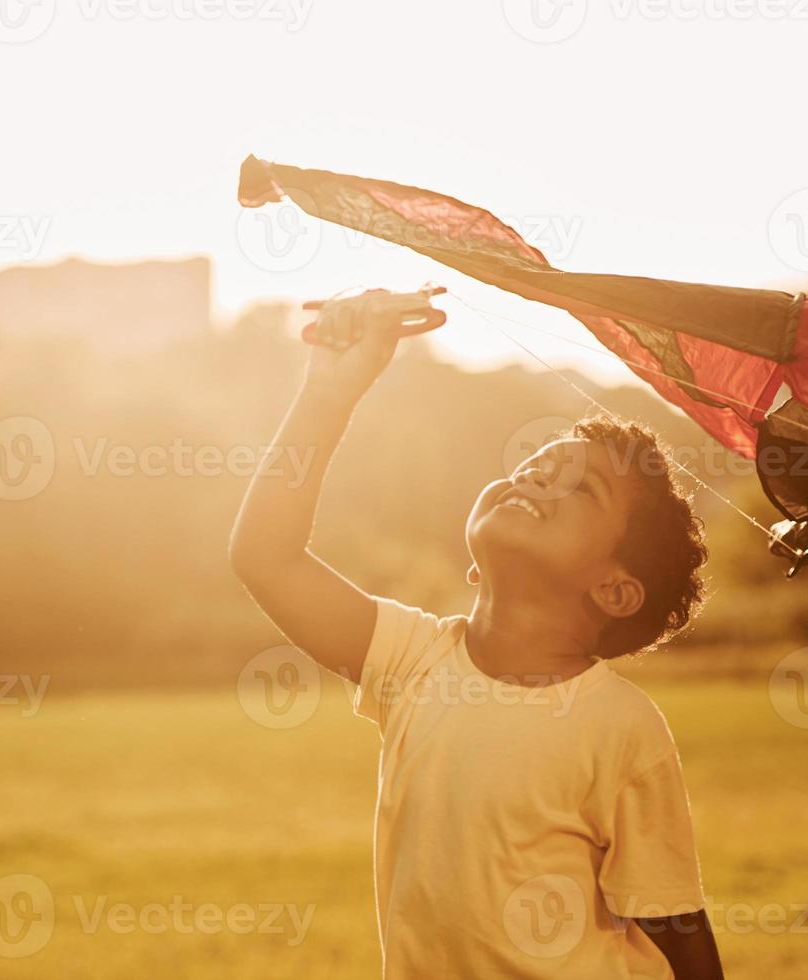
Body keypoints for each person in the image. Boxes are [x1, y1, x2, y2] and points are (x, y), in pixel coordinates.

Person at [229, 293, 724, 979]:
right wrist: (328, 391)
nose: (539, 476)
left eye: (581, 490)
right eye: (537, 465)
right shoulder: (413, 660)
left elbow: (675, 921)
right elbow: (267, 558)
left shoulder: (623, 727)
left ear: (613, 589)